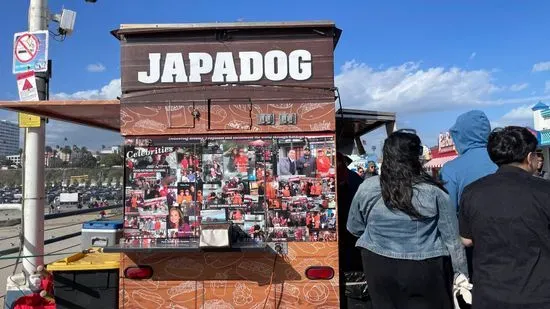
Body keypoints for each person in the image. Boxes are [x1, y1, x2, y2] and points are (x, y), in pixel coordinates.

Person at [347, 130, 468, 309]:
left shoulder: (367, 187)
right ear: (415, 156)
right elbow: (452, 239)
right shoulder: (435, 191)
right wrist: (461, 274)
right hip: (424, 267)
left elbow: (354, 227)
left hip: (378, 264)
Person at [459, 126, 550, 309]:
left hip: (489, 294)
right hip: (539, 294)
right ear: (529, 157)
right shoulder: (544, 190)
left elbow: (466, 240)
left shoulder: (472, 192)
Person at [440, 110, 498, 211]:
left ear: (460, 135)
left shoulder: (450, 169)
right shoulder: (503, 159)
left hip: (468, 225)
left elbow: (448, 213)